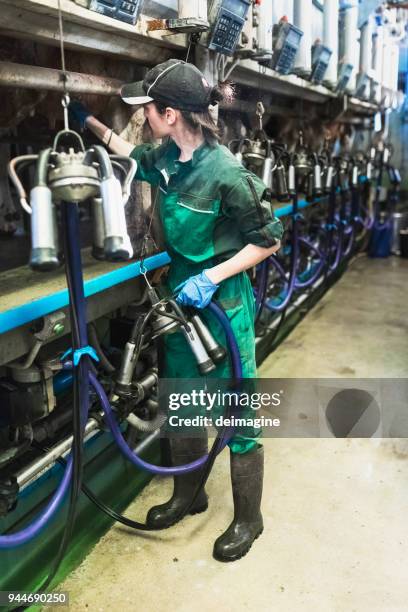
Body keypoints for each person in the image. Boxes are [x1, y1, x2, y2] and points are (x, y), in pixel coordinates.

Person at [69, 59, 283, 562]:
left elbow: (269, 240)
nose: (141, 115)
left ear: (169, 113)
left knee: (238, 413)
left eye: (146, 108)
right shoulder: (166, 156)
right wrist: (89, 124)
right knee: (183, 403)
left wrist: (212, 276)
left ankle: (249, 519)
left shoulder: (227, 172)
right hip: (180, 305)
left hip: (222, 303)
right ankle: (189, 494)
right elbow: (129, 154)